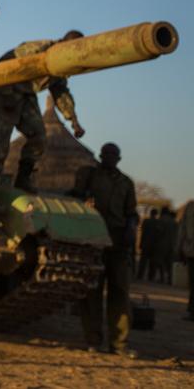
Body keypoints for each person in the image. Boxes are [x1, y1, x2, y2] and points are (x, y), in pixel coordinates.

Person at [0, 32, 86, 200]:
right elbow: (6, 63)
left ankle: (23, 178)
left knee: (39, 137)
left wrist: (73, 121)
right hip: (1, 92)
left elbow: (60, 92)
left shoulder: (62, 65)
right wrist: (6, 93)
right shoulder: (39, 49)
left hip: (24, 96)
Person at [70, 143, 138, 357]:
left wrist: (131, 226)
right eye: (106, 154)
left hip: (118, 241)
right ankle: (93, 339)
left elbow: (131, 212)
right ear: (100, 156)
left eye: (113, 155)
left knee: (120, 292)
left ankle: (119, 344)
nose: (109, 158)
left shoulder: (126, 183)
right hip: (93, 238)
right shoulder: (89, 176)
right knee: (91, 292)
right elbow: (75, 197)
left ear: (119, 158)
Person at [175, 200, 194, 321]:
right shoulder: (190, 207)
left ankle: (192, 310)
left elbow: (182, 230)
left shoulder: (190, 207)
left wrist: (179, 249)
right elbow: (182, 229)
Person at [153, 207, 178, 285]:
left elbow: (159, 232)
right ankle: (170, 280)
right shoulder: (175, 222)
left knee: (161, 262)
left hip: (162, 244)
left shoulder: (162, 220)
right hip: (173, 245)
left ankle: (162, 278)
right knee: (169, 263)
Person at [136, 208, 162, 281]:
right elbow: (158, 235)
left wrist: (140, 244)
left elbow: (142, 233)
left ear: (150, 213)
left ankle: (140, 275)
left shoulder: (146, 221)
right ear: (156, 214)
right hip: (154, 245)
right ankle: (151, 277)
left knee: (143, 262)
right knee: (152, 262)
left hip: (145, 243)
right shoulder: (158, 222)